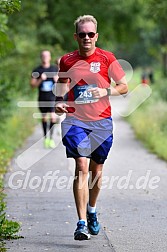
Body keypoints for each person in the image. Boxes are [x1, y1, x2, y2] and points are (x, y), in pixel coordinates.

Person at [55, 15, 128, 240]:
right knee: (81, 166)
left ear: (96, 36)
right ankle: (81, 223)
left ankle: (92, 210)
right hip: (75, 121)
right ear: (76, 36)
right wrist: (58, 102)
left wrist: (106, 91)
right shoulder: (67, 60)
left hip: (101, 122)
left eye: (90, 34)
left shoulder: (107, 58)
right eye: (82, 34)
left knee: (96, 171)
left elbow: (124, 87)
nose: (86, 38)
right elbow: (61, 85)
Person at [30, 50, 59, 148]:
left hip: (52, 97)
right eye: (43, 56)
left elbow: (62, 85)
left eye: (47, 56)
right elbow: (32, 86)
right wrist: (40, 80)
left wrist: (57, 81)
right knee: (44, 118)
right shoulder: (37, 70)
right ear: (41, 57)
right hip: (42, 97)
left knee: (53, 117)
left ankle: (50, 138)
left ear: (50, 57)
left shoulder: (54, 69)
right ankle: (45, 137)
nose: (45, 57)